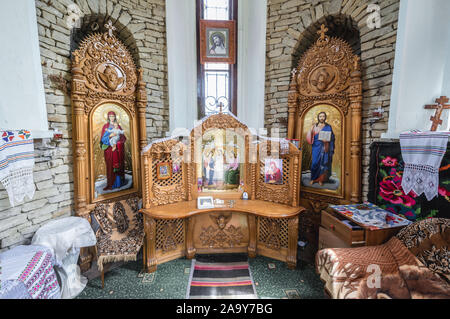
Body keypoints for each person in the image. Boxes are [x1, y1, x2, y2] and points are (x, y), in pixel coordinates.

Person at [306, 112, 335, 186]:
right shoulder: (314, 126)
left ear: (325, 117)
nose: (322, 118)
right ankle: (313, 178)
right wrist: (311, 131)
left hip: (325, 146)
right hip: (316, 146)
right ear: (318, 117)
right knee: (315, 163)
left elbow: (332, 137)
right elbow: (310, 136)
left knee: (323, 163)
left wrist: (328, 140)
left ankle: (321, 180)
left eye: (323, 116)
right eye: (320, 116)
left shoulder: (328, 127)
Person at [100, 111, 127, 191]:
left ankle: (119, 183)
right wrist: (110, 136)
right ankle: (110, 184)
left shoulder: (118, 126)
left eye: (113, 116)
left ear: (115, 117)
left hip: (117, 150)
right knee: (110, 166)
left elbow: (123, 138)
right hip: (109, 150)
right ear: (108, 117)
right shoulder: (106, 126)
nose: (112, 117)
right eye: (110, 116)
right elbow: (102, 139)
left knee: (117, 165)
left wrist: (118, 143)